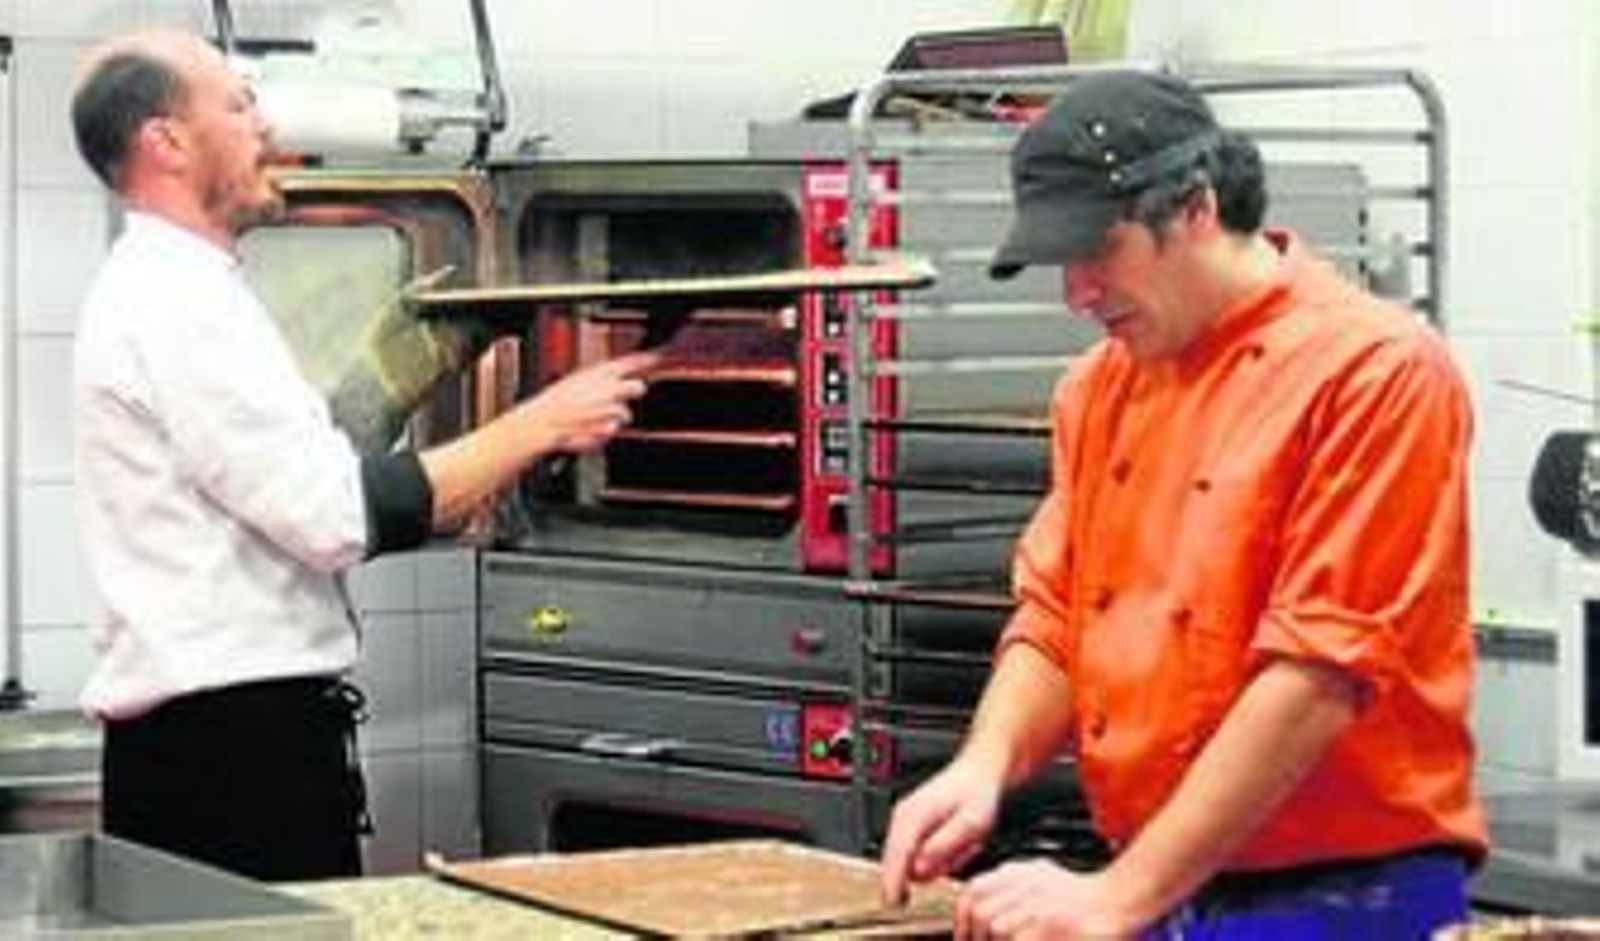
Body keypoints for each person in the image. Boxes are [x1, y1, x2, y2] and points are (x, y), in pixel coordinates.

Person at [878, 70, 1487, 938]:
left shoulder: (1375, 372)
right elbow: (1058, 616)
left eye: (1100, 249)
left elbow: (1318, 672)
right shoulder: (1097, 390)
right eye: (1062, 261)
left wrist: (1118, 896)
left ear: (1196, 208)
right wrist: (984, 765)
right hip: (1164, 873)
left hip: (1344, 898)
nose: (1078, 291)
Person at [69, 29, 656, 881]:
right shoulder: (174, 301)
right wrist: (542, 425)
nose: (266, 127)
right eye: (239, 105)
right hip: (228, 761)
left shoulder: (186, 288)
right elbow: (332, 514)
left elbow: (297, 462)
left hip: (230, 745)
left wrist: (426, 352)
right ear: (167, 141)